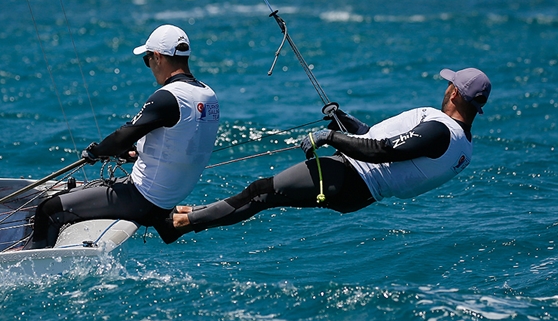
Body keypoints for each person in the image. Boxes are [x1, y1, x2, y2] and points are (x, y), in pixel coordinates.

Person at [165, 67, 492, 242]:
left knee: (261, 191)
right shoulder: (464, 147)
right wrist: (344, 121)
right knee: (265, 198)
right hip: (358, 193)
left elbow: (383, 152)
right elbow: (374, 138)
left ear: (453, 91)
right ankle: (191, 214)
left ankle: (181, 223)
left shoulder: (440, 130)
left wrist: (331, 137)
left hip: (350, 177)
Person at [25, 24, 220, 248]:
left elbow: (121, 137)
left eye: (147, 59)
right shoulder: (208, 95)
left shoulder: (169, 97)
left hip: (144, 197)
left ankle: (35, 267)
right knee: (76, 191)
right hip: (169, 197)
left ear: (157, 57)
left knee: (49, 209)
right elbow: (184, 145)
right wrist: (137, 154)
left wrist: (96, 152)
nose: (149, 66)